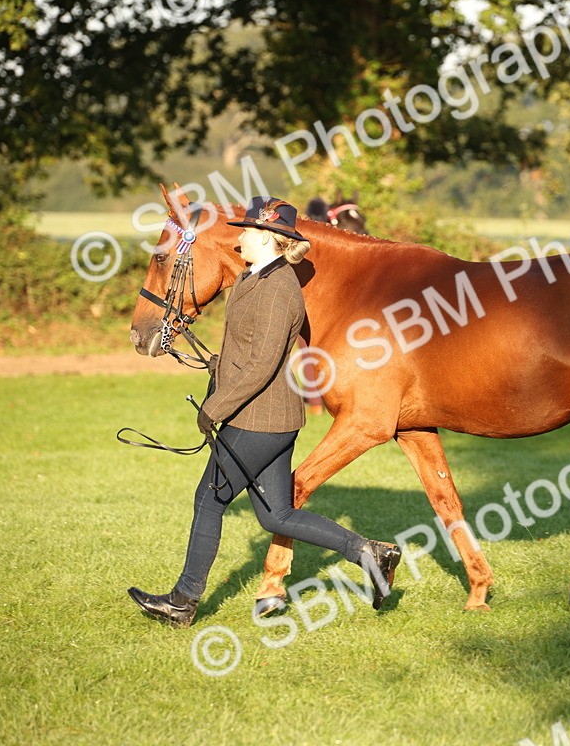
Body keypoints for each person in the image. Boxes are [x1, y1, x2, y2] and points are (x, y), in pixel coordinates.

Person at [128, 196, 401, 628]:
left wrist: (214, 408)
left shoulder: (279, 289)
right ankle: (370, 552)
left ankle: (183, 602)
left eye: (249, 232)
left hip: (260, 419)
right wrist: (213, 363)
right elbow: (247, 350)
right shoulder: (254, 278)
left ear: (271, 239)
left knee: (209, 500)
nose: (240, 238)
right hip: (268, 418)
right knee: (277, 515)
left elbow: (263, 364)